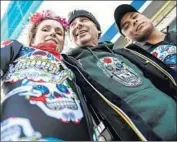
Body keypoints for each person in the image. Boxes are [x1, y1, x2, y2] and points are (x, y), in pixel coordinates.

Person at [66, 9, 177, 141]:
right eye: (72, 25)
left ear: (98, 30)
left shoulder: (127, 52)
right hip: (143, 134)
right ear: (72, 38)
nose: (78, 25)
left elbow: (162, 77)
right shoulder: (72, 69)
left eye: (84, 20)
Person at [0, 10, 94, 141]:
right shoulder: (16, 48)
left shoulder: (73, 66)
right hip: (23, 128)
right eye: (45, 29)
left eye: (59, 32)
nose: (52, 33)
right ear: (33, 38)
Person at [114, 4, 177, 72]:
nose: (133, 21)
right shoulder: (142, 63)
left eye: (135, 16)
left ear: (146, 17)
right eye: (127, 26)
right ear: (127, 39)